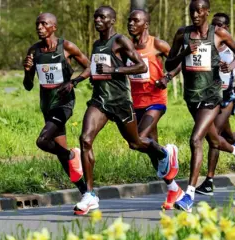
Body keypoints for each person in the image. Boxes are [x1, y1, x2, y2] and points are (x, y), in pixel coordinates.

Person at [76, 6, 178, 215]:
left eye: (102, 17)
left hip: (121, 102)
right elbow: (98, 69)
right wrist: (88, 78)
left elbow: (141, 66)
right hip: (100, 101)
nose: (97, 20)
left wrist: (114, 70)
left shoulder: (120, 41)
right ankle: (89, 195)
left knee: (136, 142)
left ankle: (164, 152)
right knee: (85, 139)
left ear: (112, 21)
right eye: (96, 16)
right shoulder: (96, 44)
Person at [165, 0, 235, 212]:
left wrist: (229, 66)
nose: (195, 14)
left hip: (212, 96)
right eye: (192, 10)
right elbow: (168, 64)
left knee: (196, 139)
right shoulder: (182, 34)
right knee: (214, 139)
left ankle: (189, 195)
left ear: (207, 12)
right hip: (191, 97)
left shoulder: (218, 33)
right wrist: (184, 54)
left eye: (199, 10)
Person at [23, 13, 90, 196]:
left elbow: (89, 66)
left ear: (54, 27)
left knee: (42, 140)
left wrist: (73, 82)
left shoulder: (66, 46)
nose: (39, 27)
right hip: (47, 105)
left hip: (64, 103)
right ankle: (86, 193)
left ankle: (72, 156)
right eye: (37, 24)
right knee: (61, 155)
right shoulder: (34, 51)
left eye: (44, 24)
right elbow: (28, 86)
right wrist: (27, 71)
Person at [127, 9, 184, 209]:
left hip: (155, 101)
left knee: (137, 140)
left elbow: (178, 61)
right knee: (151, 149)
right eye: (129, 20)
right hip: (135, 102)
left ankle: (168, 153)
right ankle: (173, 189)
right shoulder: (127, 46)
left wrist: (167, 78)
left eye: (136, 21)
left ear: (146, 24)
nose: (131, 24)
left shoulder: (157, 44)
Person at [195, 12, 235, 196]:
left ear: (226, 28)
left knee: (214, 137)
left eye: (221, 25)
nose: (217, 28)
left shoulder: (233, 47)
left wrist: (234, 69)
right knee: (226, 135)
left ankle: (209, 181)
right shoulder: (207, 45)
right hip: (209, 97)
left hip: (226, 98)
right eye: (214, 24)